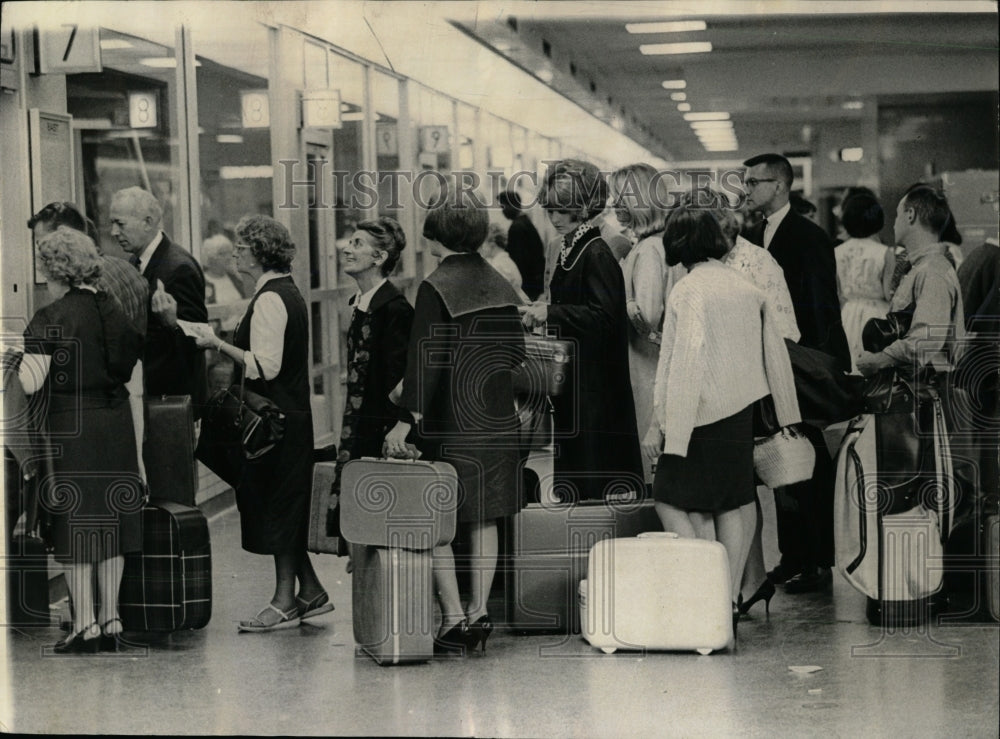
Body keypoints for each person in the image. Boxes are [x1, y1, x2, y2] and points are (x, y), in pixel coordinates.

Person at [642, 204, 800, 629]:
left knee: (668, 496)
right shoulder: (743, 286)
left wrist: (665, 426)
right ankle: (727, 598)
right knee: (733, 500)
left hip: (696, 414)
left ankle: (705, 591)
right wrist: (788, 414)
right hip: (741, 413)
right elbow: (775, 355)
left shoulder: (689, 290)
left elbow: (684, 362)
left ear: (677, 242)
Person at [384, 193, 525, 655]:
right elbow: (517, 355)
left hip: (452, 421)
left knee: (438, 517)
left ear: (436, 235)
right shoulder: (501, 283)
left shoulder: (435, 286)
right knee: (485, 516)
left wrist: (405, 420)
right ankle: (481, 611)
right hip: (496, 415)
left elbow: (425, 359)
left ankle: (453, 617)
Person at [192, 215, 329, 631]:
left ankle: (284, 600)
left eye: (241, 247)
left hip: (276, 421)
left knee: (276, 509)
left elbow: (265, 367)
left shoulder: (270, 298)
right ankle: (310, 591)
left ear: (260, 252)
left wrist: (217, 344)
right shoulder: (281, 292)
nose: (236, 254)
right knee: (280, 507)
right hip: (287, 418)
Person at [17, 227, 144, 652]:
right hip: (116, 421)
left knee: (75, 525)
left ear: (54, 269)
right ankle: (111, 619)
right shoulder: (114, 308)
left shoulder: (50, 316)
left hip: (72, 425)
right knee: (112, 523)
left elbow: (31, 383)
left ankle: (84, 624)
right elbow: (128, 363)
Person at [742, 153, 849, 594]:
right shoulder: (754, 235)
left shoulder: (808, 236)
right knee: (783, 457)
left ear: (781, 185)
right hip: (773, 360)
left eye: (754, 183)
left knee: (808, 461)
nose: (746, 191)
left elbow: (823, 305)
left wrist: (814, 363)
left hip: (802, 362)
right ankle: (793, 555)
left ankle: (816, 558)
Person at [521, 159, 644, 502]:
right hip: (580, 381)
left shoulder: (596, 252)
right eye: (550, 210)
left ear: (584, 207)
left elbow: (605, 318)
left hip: (595, 387)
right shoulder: (575, 248)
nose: (555, 218)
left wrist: (552, 312)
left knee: (591, 476)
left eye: (562, 209)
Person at [334, 217, 413, 545]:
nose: (347, 249)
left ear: (379, 258)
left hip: (382, 432)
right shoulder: (360, 303)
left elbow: (406, 376)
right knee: (359, 524)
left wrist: (401, 426)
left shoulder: (395, 309)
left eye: (357, 244)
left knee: (376, 523)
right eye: (349, 242)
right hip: (360, 426)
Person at [110, 187, 208, 417]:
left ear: (148, 222)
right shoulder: (136, 260)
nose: (113, 232)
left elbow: (199, 340)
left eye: (120, 224)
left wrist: (171, 324)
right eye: (112, 223)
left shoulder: (179, 267)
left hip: (174, 401)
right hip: (152, 396)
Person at [608, 163, 675, 483]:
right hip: (649, 366)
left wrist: (611, 304)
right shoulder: (654, 243)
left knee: (649, 463)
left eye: (621, 198)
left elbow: (646, 316)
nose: (614, 205)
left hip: (646, 368)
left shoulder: (649, 249)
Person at [856, 185, 966, 380]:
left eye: (898, 215)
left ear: (910, 215)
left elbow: (926, 339)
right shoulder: (922, 267)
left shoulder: (932, 271)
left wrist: (879, 360)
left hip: (926, 393)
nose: (894, 223)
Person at [835, 192, 894, 372]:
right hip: (877, 317)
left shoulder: (837, 251)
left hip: (848, 314)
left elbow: (838, 293)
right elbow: (887, 292)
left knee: (849, 368)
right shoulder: (884, 252)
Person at [500, 191, 546, 301]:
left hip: (527, 285)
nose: (503, 211)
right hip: (535, 282)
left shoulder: (517, 227)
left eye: (503, 206)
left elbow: (518, 261)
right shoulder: (525, 222)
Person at [479, 222, 530, 304]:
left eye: (482, 244)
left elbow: (496, 295)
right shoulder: (505, 260)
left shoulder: (499, 265)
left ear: (492, 244)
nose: (480, 248)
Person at [202, 234, 249, 307]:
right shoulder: (202, 282)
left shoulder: (235, 278)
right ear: (210, 257)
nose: (228, 257)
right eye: (222, 254)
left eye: (229, 253)